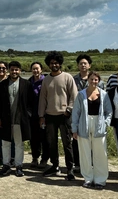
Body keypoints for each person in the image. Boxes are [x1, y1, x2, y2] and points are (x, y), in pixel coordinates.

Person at [38, 51, 78, 180]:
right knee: (52, 143)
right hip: (50, 115)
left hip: (64, 116)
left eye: (56, 63)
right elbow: (42, 99)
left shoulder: (67, 77)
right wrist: (41, 115)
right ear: (48, 65)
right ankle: (55, 166)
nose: (54, 65)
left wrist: (69, 109)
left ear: (60, 63)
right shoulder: (46, 80)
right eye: (51, 63)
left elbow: (74, 95)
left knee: (67, 143)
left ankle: (70, 168)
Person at [72, 71, 112, 189]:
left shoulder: (104, 94)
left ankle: (100, 179)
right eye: (91, 79)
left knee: (100, 154)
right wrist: (74, 129)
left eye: (96, 80)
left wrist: (105, 123)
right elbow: (76, 113)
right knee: (84, 153)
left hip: (99, 124)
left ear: (98, 81)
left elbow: (109, 112)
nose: (93, 82)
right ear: (88, 80)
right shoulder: (81, 94)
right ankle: (88, 178)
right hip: (83, 124)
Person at [0, 61, 34, 177]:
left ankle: (18, 166)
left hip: (20, 119)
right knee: (5, 143)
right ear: (9, 70)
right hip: (6, 119)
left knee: (19, 144)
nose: (14, 72)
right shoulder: (2, 85)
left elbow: (31, 102)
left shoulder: (26, 84)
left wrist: (28, 114)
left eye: (16, 70)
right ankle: (6, 165)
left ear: (20, 70)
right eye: (12, 69)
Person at [72, 54, 105, 172]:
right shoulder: (73, 79)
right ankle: (78, 164)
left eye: (85, 63)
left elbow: (102, 99)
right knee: (77, 140)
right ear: (78, 65)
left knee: (93, 142)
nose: (83, 65)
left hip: (93, 114)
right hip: (78, 113)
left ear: (89, 65)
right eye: (80, 63)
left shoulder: (98, 81)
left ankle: (92, 164)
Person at [28, 61, 49, 168]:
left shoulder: (46, 81)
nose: (35, 70)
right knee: (34, 137)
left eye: (37, 68)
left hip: (45, 114)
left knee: (45, 137)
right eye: (33, 69)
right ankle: (35, 157)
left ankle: (44, 159)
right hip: (32, 115)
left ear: (41, 70)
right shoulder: (29, 82)